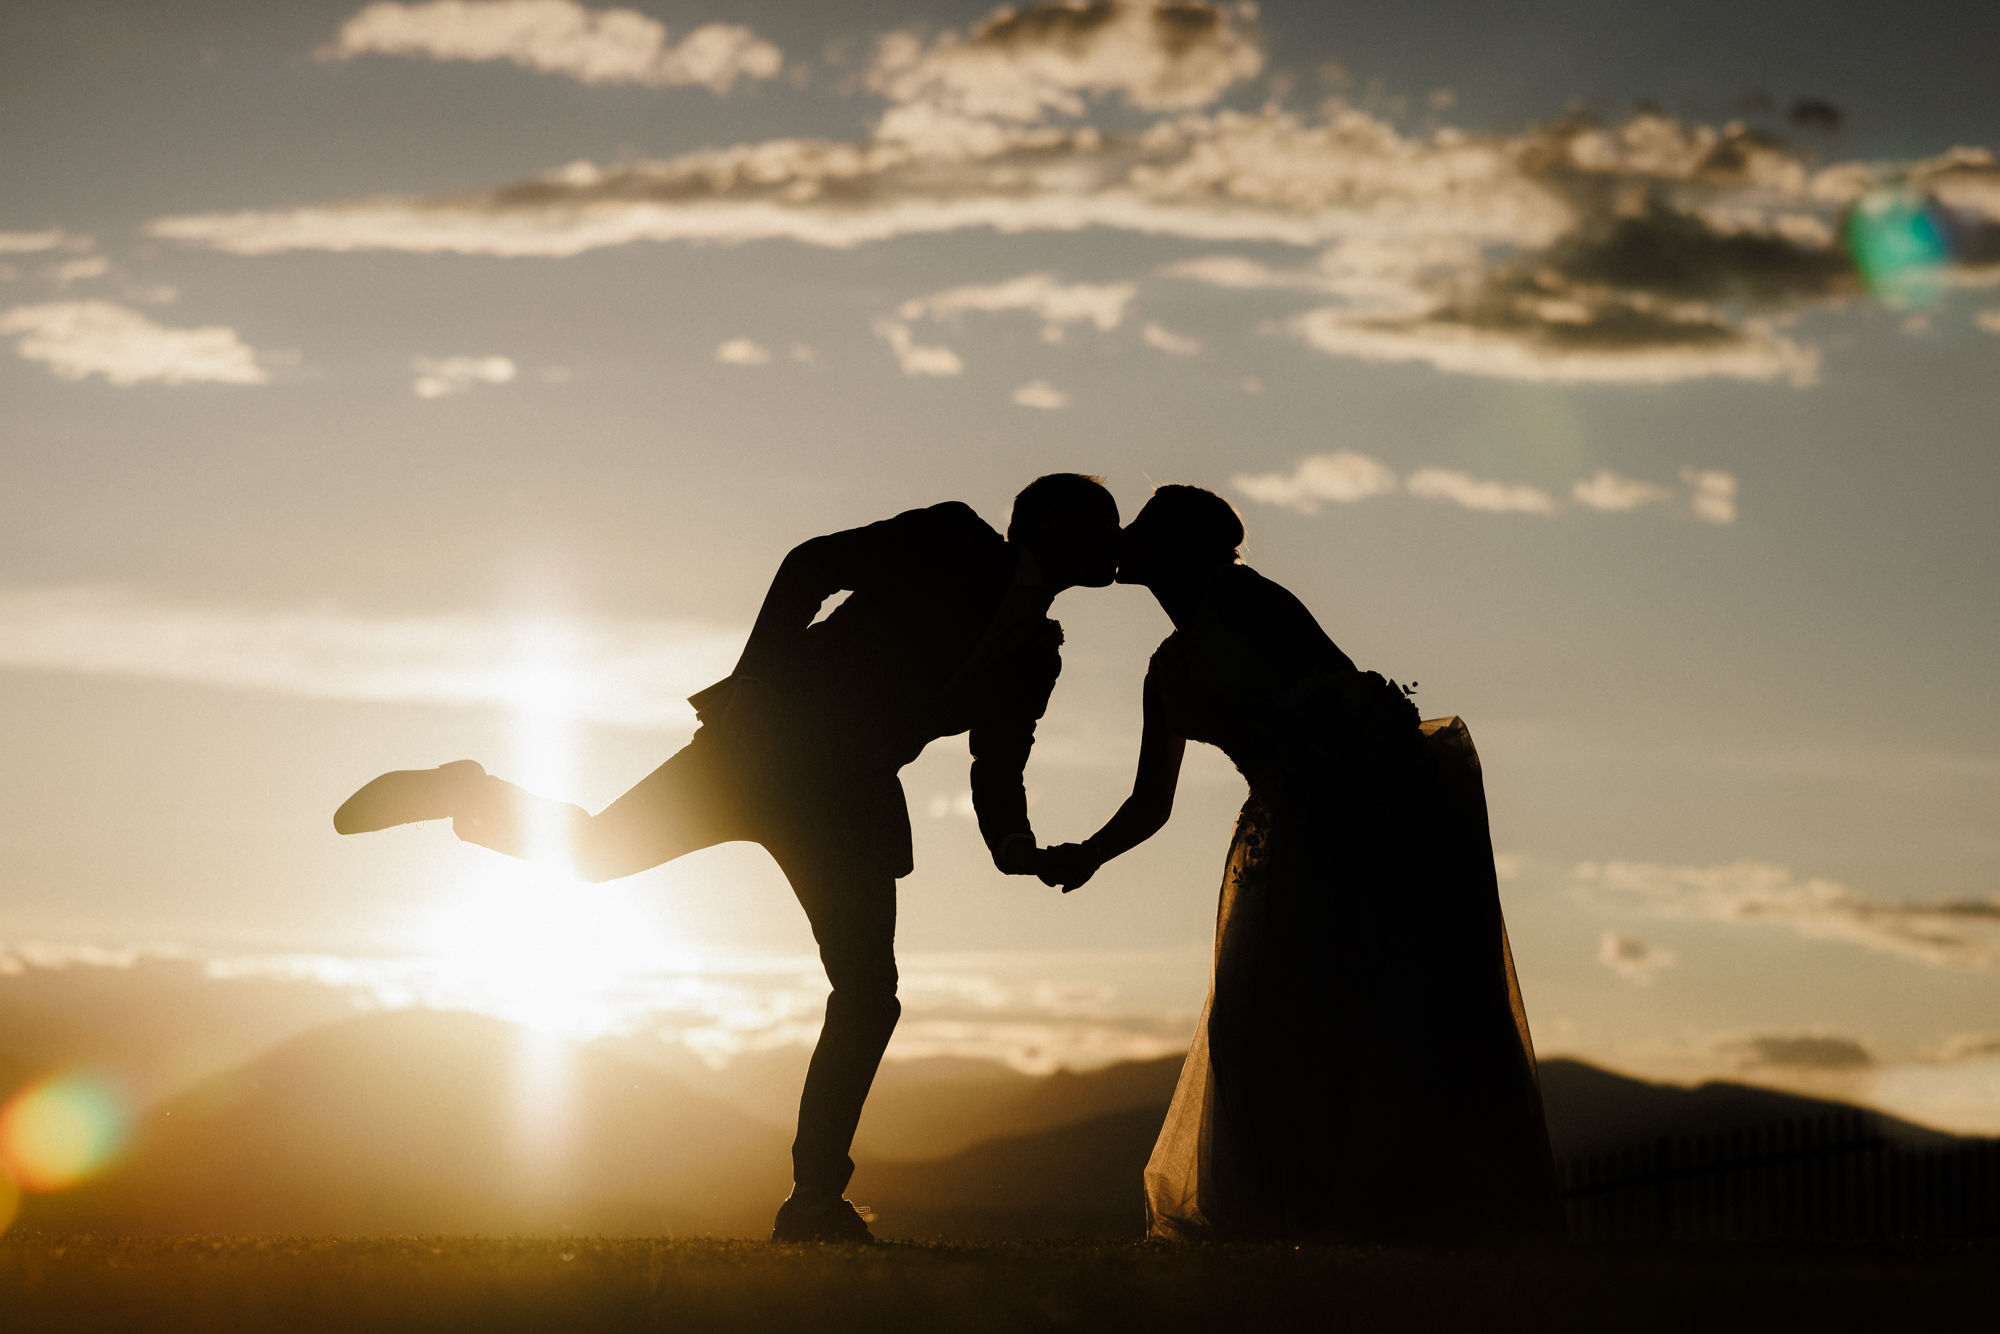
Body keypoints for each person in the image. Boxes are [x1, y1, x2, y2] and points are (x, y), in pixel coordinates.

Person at [333, 475, 1121, 1243]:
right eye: (1102, 527)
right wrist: (752, 684)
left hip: (845, 799)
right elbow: (812, 561)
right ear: (1049, 527)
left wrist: (1016, 847)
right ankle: (468, 792)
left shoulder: (1036, 655)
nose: (1114, 546)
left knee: (868, 991)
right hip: (761, 747)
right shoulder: (954, 533)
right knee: (597, 856)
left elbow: (999, 761)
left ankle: (813, 1200)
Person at [1034, 485, 1559, 1242]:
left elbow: (1352, 696)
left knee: (1365, 1015)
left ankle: (1378, 1213)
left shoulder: (1254, 601)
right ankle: (1286, 1214)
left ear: (1184, 545)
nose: (1125, 537)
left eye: (1144, 527)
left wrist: (1341, 769)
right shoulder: (1168, 669)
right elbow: (1153, 801)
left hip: (1358, 830)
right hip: (1275, 846)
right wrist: (1088, 855)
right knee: (1252, 1026)